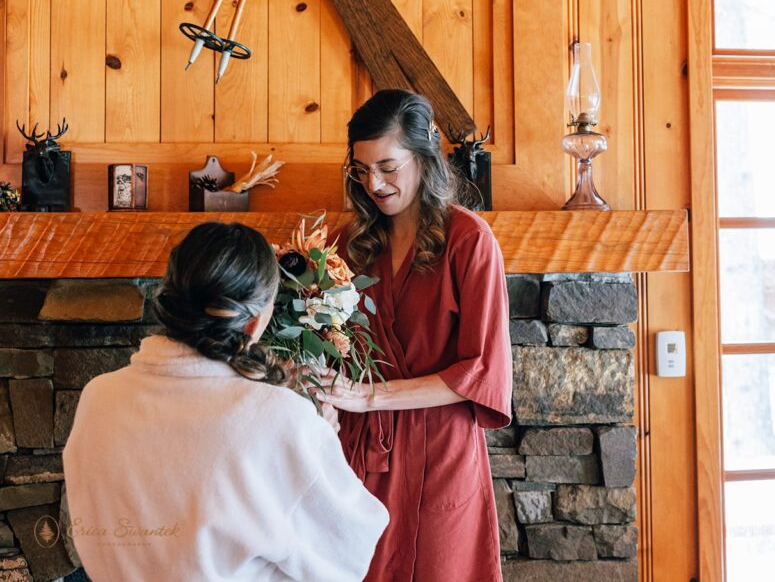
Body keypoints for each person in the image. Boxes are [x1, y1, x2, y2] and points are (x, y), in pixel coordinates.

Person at [63, 222, 388, 582]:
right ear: (254, 323)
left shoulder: (99, 397)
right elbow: (345, 550)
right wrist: (319, 440)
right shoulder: (283, 419)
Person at [317, 89, 513, 581]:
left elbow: (481, 370)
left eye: (388, 166)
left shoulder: (469, 241)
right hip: (359, 450)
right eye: (361, 170)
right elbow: (327, 345)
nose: (374, 184)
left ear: (423, 156)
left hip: (440, 451)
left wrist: (370, 396)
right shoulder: (346, 245)